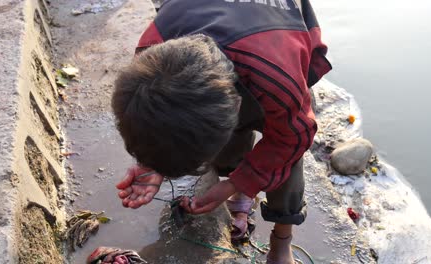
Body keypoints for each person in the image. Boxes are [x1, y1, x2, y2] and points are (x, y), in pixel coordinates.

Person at [112, 0, 331, 263]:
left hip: (274, 35)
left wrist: (238, 182)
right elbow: (154, 118)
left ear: (237, 105)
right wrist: (153, 162)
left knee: (287, 155)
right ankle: (241, 191)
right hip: (225, 34)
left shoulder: (278, 76)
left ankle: (281, 241)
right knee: (225, 146)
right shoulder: (150, 53)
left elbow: (293, 138)